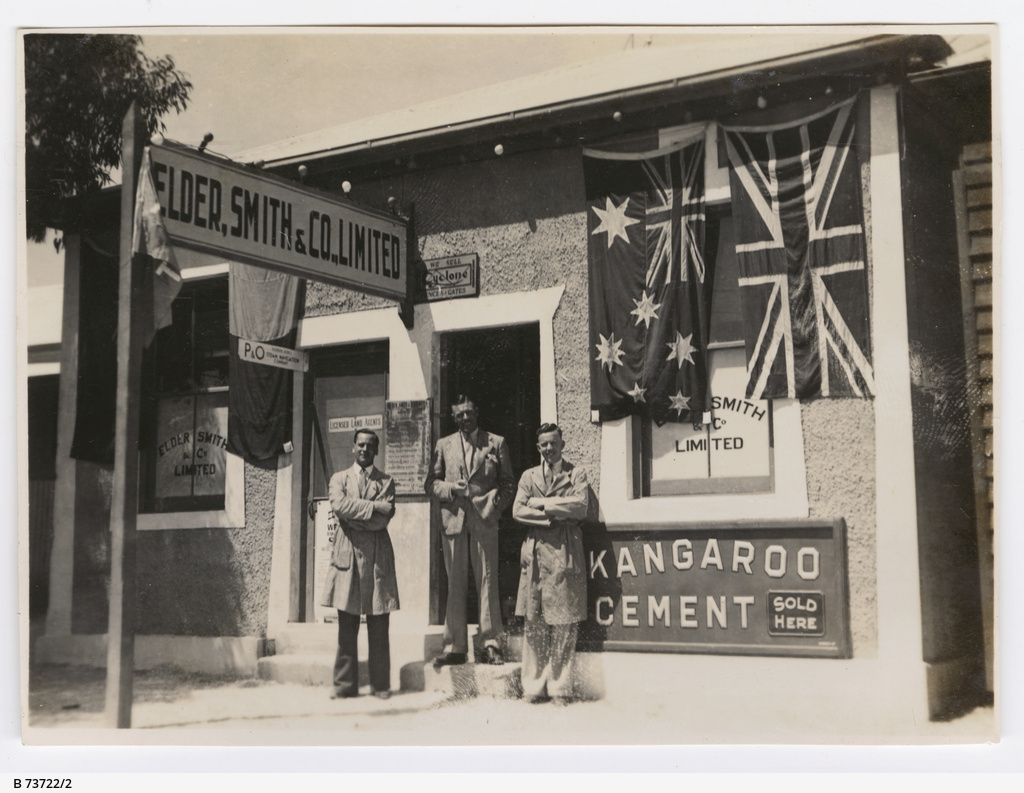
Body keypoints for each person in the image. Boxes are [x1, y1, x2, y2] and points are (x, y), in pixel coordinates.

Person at [425, 395, 515, 666]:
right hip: (453, 521)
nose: (465, 418)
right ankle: (455, 647)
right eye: (459, 415)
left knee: (487, 581)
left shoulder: (496, 442)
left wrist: (493, 506)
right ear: (454, 418)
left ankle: (491, 644)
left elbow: (509, 484)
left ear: (477, 411)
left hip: (484, 520)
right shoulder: (444, 445)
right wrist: (451, 488)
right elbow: (431, 483)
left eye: (468, 412)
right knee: (455, 584)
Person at [512, 423, 589, 705]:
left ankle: (560, 689)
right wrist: (552, 514)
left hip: (565, 550)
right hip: (535, 554)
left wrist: (542, 504)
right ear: (538, 447)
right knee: (534, 621)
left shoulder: (576, 473)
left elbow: (580, 506)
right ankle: (533, 687)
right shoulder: (528, 476)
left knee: (564, 622)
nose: (549, 448)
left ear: (562, 444)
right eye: (544, 444)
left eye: (553, 443)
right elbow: (518, 511)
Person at [320, 429, 399, 700]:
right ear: (353, 447)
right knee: (347, 625)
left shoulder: (386, 482)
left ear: (376, 450)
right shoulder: (338, 479)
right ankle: (344, 685)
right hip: (348, 554)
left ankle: (380, 685)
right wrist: (374, 507)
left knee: (379, 624)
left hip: (378, 555)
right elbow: (339, 506)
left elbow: (384, 518)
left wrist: (356, 517)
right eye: (360, 445)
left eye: (370, 446)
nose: (364, 449)